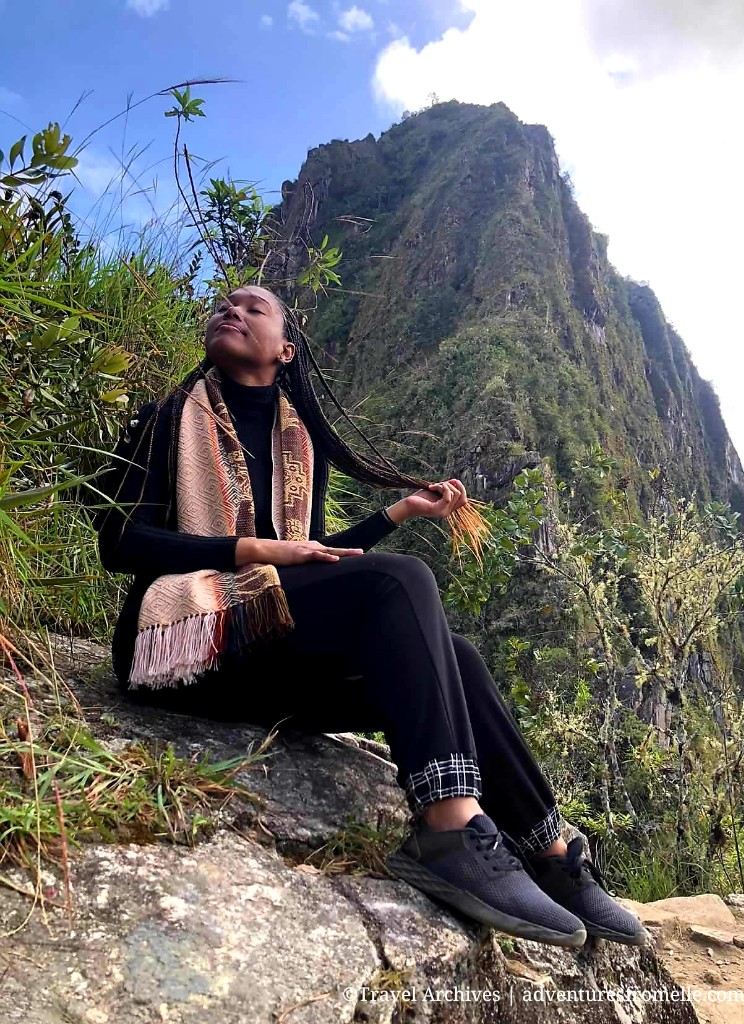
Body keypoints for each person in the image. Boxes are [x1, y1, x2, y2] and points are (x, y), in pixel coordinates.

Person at [95, 284, 647, 949]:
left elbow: (313, 563)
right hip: (180, 652)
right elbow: (120, 543)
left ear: (285, 350)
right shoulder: (166, 419)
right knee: (401, 582)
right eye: (224, 305)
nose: (230, 311)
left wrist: (399, 513)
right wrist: (249, 548)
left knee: (458, 656)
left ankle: (549, 851)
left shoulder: (299, 443)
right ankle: (448, 831)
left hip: (263, 652)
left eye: (252, 307)